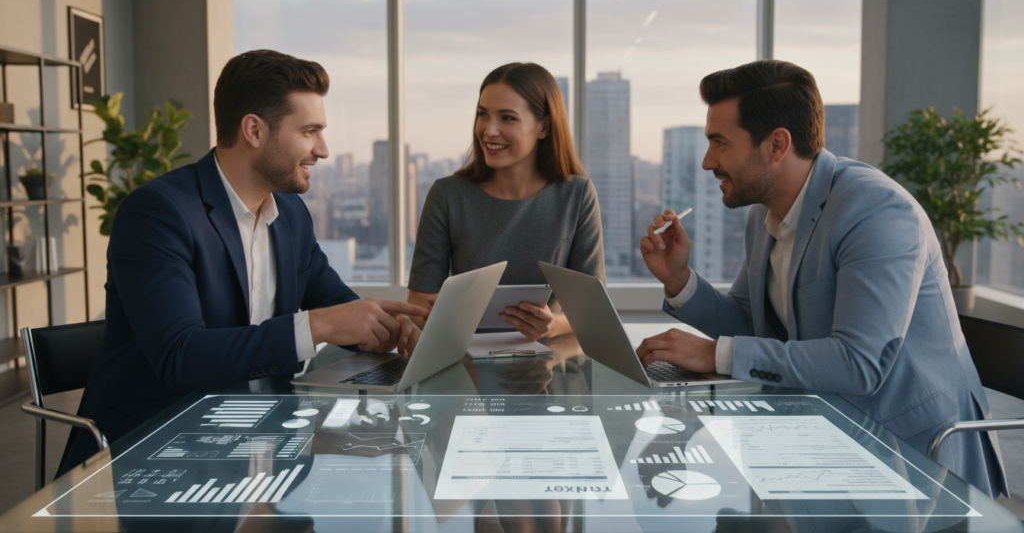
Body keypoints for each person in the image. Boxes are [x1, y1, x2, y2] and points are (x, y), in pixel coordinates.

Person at [636, 59, 1008, 497]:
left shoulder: (876, 212)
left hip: (915, 465)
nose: (707, 161)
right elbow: (751, 323)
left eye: (720, 143)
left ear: (777, 145)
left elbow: (858, 364)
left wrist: (716, 355)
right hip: (826, 441)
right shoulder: (765, 214)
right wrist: (679, 280)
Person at [58, 49, 428, 475]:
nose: (323, 150)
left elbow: (337, 305)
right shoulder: (158, 213)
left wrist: (391, 328)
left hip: (262, 441)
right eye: (309, 131)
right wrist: (319, 325)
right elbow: (181, 356)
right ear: (253, 129)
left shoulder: (289, 215)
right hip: (155, 454)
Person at [407, 62, 604, 342]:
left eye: (507, 118)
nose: (489, 130)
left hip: (549, 367)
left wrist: (553, 325)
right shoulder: (447, 196)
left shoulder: (577, 195)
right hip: (464, 366)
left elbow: (594, 310)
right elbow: (417, 305)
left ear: (544, 127)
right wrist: (438, 315)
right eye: (483, 115)